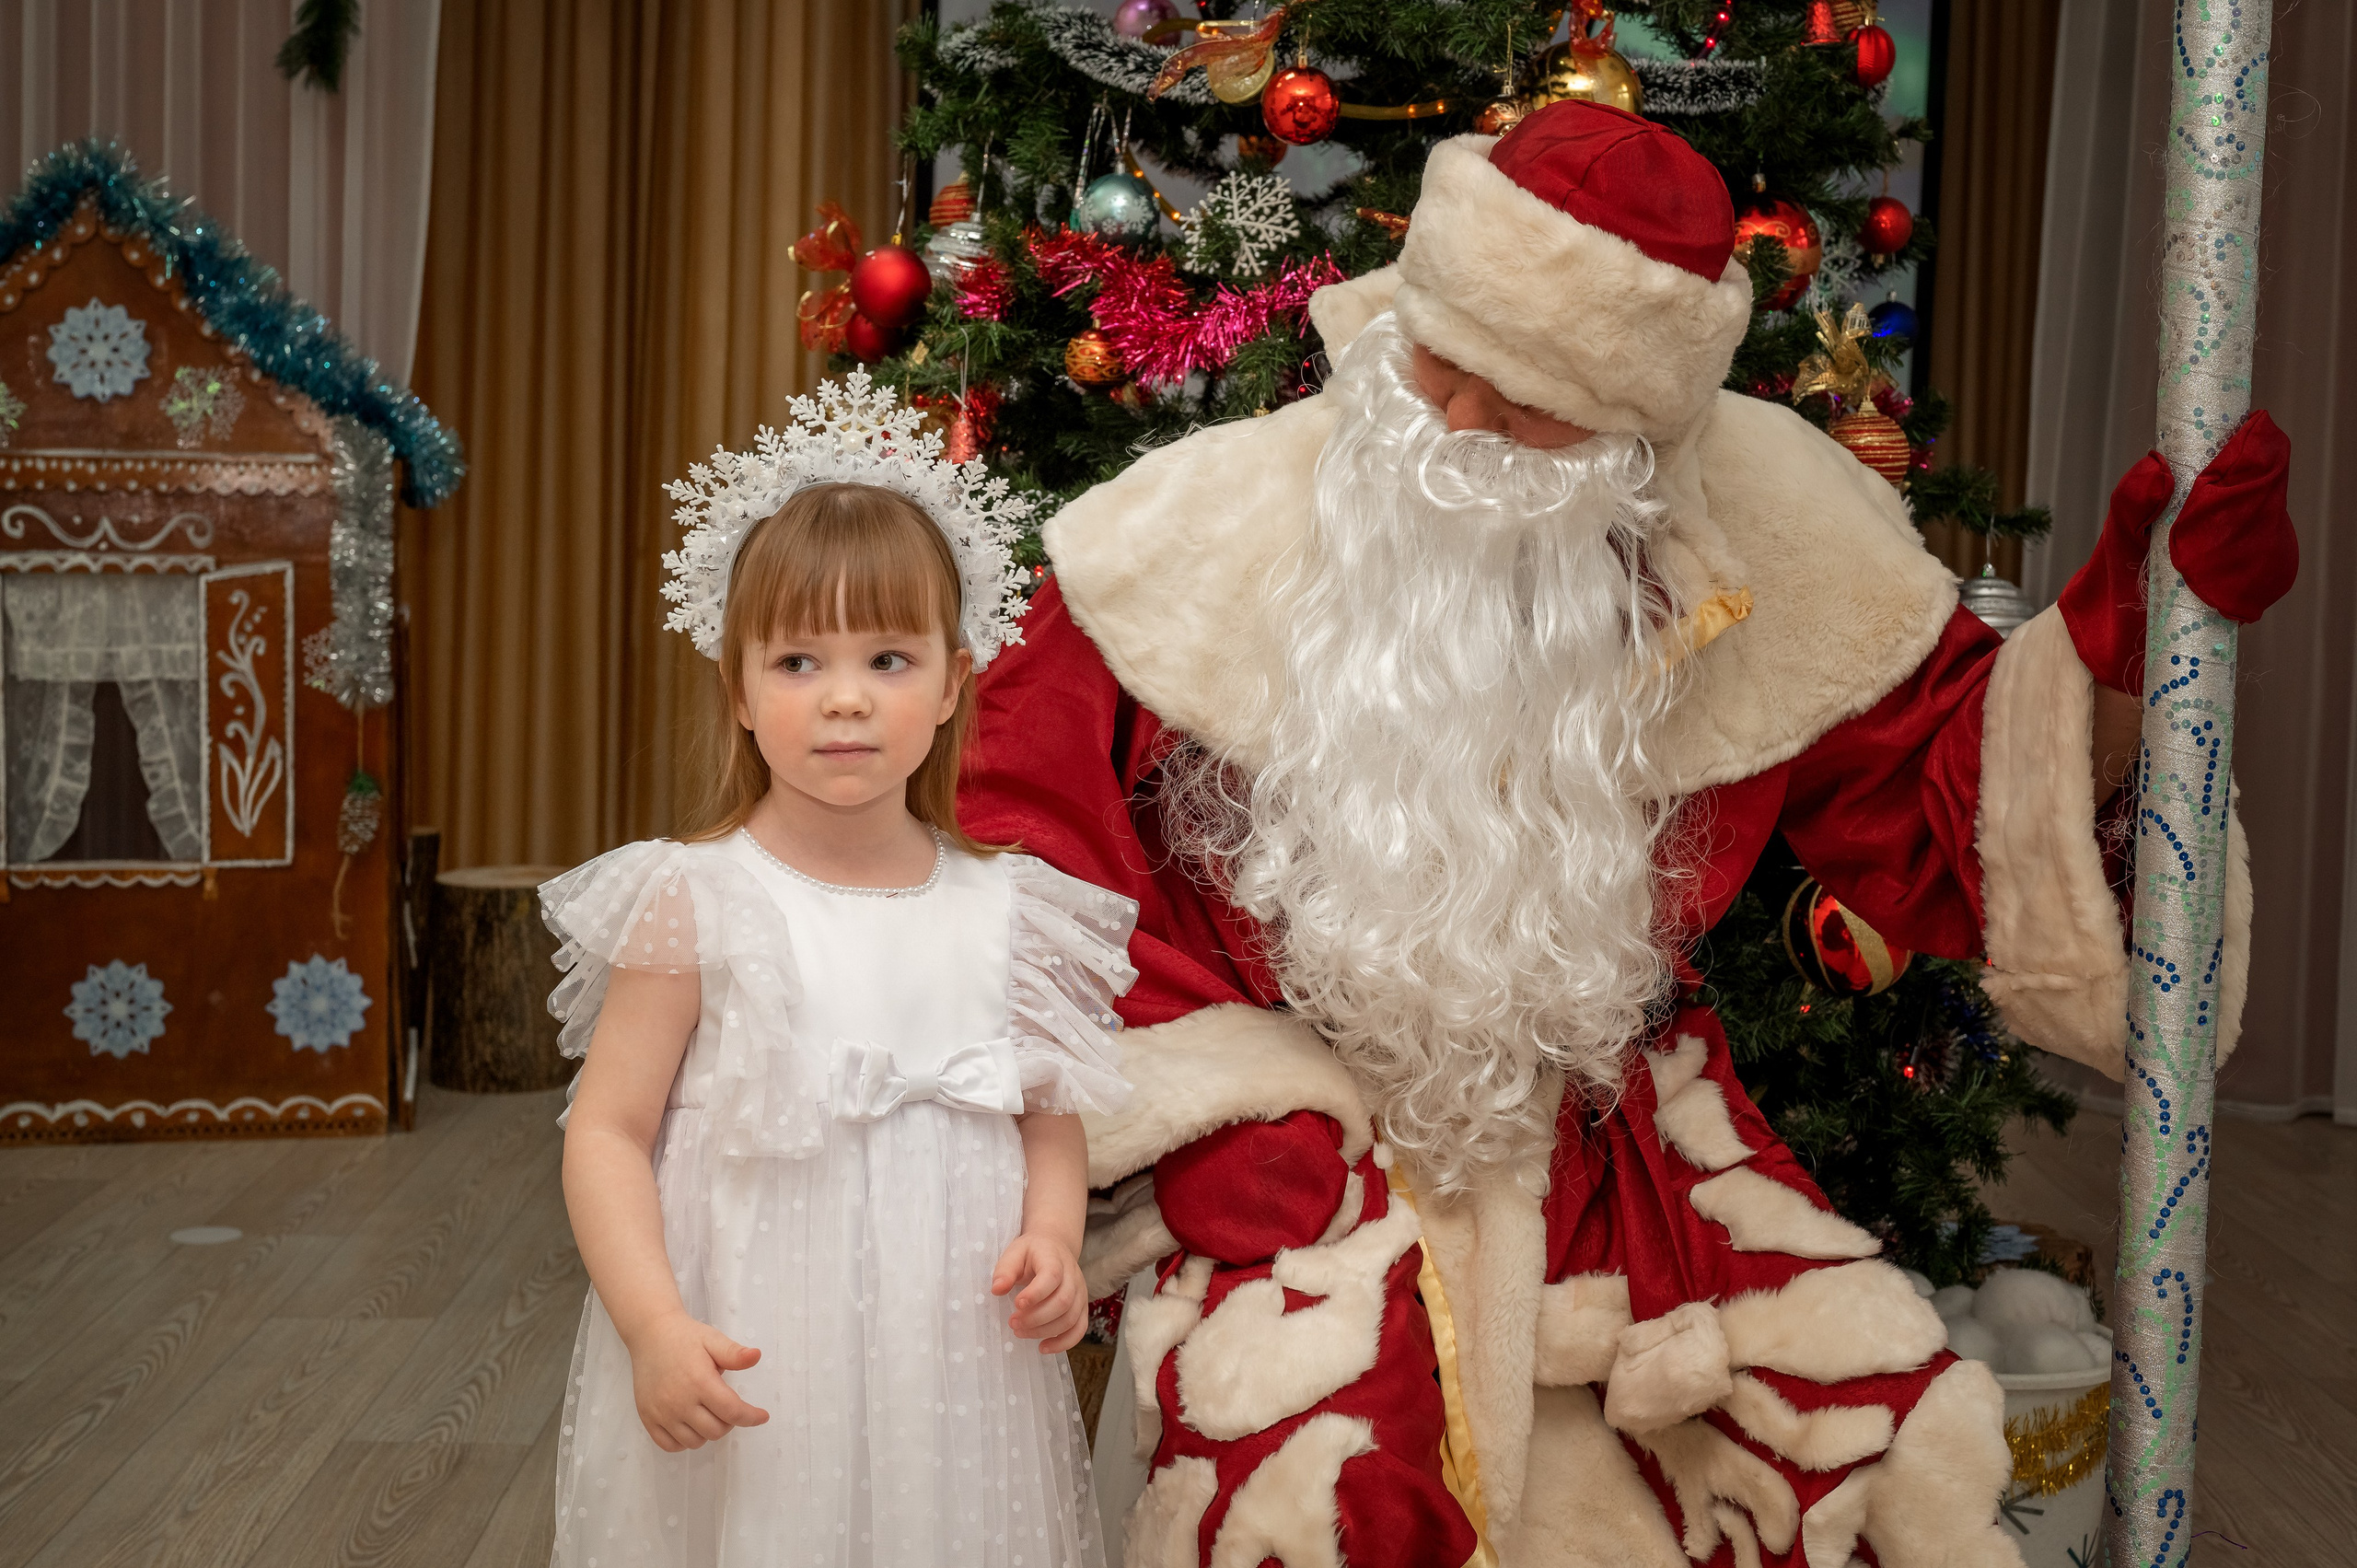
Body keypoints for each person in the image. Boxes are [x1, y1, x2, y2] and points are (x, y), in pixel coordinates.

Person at [958, 102, 2296, 1566]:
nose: (1458, 428)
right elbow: (1011, 862)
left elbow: (1957, 804)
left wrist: (2129, 651)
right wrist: (1204, 1104)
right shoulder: (1192, 531)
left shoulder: (1768, 533)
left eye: (1530, 405)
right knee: (1321, 1509)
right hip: (1282, 1164)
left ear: (1636, 440)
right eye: (1442, 363)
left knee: (1857, 1475)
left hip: (1625, 1152)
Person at [541, 377, 1140, 1567]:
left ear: (955, 682)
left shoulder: (1010, 908)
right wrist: (653, 1325)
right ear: (739, 689)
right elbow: (607, 1130)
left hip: (955, 1352)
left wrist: (1056, 1239)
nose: (848, 698)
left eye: (889, 657)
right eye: (800, 661)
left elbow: (1046, 1117)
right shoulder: (699, 898)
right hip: (755, 1340)